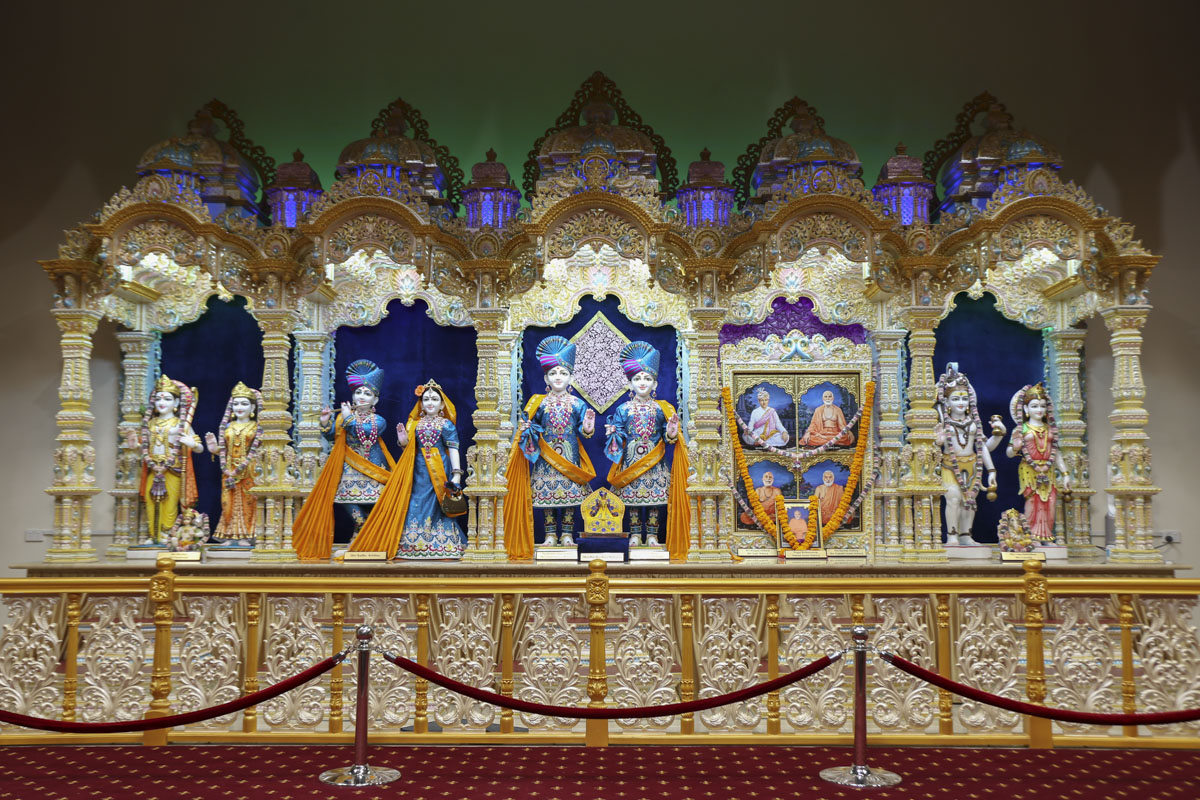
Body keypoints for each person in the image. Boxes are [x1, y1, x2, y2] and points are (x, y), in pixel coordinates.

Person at [350, 380, 467, 559]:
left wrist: (456, 475)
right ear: (421, 403)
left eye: (435, 399)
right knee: (415, 502)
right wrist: (403, 440)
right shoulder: (415, 424)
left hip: (439, 470)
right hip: (417, 470)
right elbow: (409, 449)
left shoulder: (446, 425)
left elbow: (453, 449)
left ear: (442, 405)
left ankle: (442, 545)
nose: (430, 403)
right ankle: (411, 544)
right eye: (426, 399)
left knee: (439, 504)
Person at [292, 359, 395, 559]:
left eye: (367, 393)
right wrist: (325, 423)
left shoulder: (378, 420)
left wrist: (348, 418)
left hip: (374, 471)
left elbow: (367, 434)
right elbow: (334, 437)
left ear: (375, 400)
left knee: (377, 508)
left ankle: (369, 540)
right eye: (358, 392)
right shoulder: (343, 418)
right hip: (349, 472)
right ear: (353, 396)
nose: (362, 396)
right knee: (353, 509)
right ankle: (362, 534)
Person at [504, 336, 596, 555]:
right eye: (553, 373)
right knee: (548, 498)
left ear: (571, 378)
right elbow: (531, 427)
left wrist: (588, 426)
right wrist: (527, 429)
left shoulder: (578, 403)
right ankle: (550, 535)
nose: (558, 377)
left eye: (563, 373)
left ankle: (567, 534)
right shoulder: (539, 403)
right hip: (546, 457)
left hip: (570, 457)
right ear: (546, 378)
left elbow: (585, 432)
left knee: (568, 498)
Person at [604, 341, 689, 556]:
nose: (642, 382)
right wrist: (613, 433)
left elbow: (670, 439)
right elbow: (618, 435)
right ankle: (634, 534)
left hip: (655, 460)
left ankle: (652, 535)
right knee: (633, 500)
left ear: (655, 383)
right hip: (631, 460)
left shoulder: (662, 408)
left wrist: (671, 431)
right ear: (630, 384)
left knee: (654, 501)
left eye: (647, 378)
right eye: (637, 379)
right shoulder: (623, 409)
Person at [934, 364, 1004, 545]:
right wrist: (938, 441)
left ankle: (966, 535)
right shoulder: (944, 423)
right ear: (946, 402)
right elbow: (934, 446)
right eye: (955, 398)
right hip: (950, 464)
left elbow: (984, 447)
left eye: (964, 398)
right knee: (953, 498)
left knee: (970, 500)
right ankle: (952, 536)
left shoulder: (973, 423)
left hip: (973, 465)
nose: (961, 402)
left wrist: (992, 469)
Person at [138, 375, 202, 544]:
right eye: (159, 399)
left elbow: (199, 447)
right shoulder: (150, 424)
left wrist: (191, 443)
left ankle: (167, 533)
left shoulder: (181, 424)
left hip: (172, 469)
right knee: (150, 501)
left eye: (167, 399)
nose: (162, 402)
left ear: (176, 403)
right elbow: (143, 445)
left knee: (170, 502)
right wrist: (133, 444)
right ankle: (153, 535)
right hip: (153, 468)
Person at [1006, 383, 1071, 543]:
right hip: (1029, 469)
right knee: (1032, 502)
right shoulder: (1021, 429)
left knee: (1051, 502)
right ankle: (1032, 537)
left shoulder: (1050, 429)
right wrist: (1015, 447)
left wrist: (1065, 474)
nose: (1039, 409)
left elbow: (1056, 453)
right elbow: (1009, 453)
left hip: (1048, 469)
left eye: (1042, 406)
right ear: (1026, 409)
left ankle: (1047, 537)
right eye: (1034, 406)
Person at [204, 381, 262, 546]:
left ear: (253, 408)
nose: (239, 407)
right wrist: (214, 448)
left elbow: (260, 448)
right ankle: (230, 535)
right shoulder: (228, 426)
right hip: (228, 471)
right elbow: (224, 450)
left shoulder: (256, 427)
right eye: (236, 403)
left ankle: (246, 536)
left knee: (248, 503)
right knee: (227, 503)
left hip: (249, 470)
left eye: (244, 403)